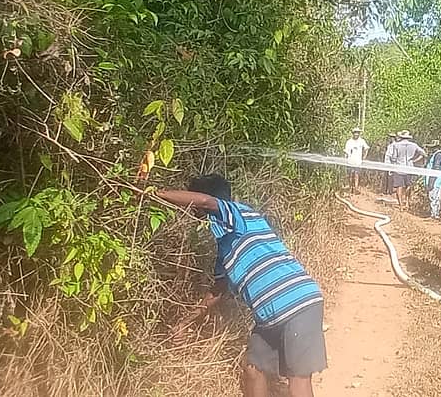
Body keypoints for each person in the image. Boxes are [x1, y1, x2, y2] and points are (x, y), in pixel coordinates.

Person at [155, 174, 326, 396]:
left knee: (298, 379)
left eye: (193, 206)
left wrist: (156, 194)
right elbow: (217, 291)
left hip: (298, 304)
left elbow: (206, 202)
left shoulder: (240, 214)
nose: (193, 213)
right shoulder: (224, 248)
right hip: (268, 316)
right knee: (253, 368)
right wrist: (185, 322)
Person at [390, 130, 426, 210]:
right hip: (409, 168)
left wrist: (394, 163)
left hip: (399, 168)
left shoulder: (396, 145)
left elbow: (394, 158)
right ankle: (407, 203)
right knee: (408, 185)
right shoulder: (414, 145)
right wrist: (414, 160)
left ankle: (401, 205)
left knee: (399, 187)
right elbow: (423, 153)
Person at [423, 140, 441, 220]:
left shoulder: (438, 155)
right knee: (433, 197)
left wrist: (431, 182)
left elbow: (436, 168)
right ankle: (433, 214)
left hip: (436, 180)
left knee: (434, 197)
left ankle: (434, 215)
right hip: (434, 180)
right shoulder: (436, 154)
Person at [344, 127, 369, 195]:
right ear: (353, 133)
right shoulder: (349, 141)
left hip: (358, 161)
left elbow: (366, 148)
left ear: (359, 133)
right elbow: (346, 151)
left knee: (357, 175)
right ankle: (350, 187)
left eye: (357, 133)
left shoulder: (361, 141)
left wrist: (364, 157)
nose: (356, 134)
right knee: (350, 175)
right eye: (355, 132)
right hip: (350, 161)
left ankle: (356, 188)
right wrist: (346, 159)